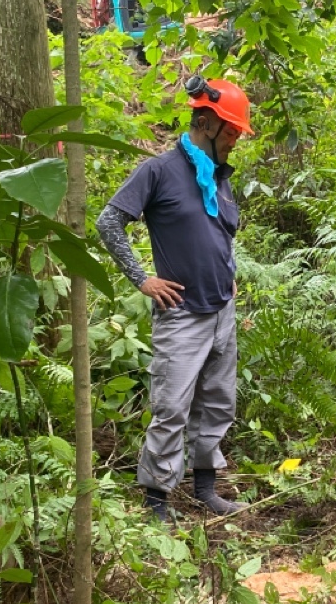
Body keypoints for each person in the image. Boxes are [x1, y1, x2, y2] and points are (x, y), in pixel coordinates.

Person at [96, 77, 253, 522]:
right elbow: (109, 222)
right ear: (205, 122)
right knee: (172, 406)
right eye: (232, 131)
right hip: (181, 313)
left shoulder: (220, 178)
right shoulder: (158, 171)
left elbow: (218, 235)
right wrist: (141, 278)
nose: (236, 140)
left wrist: (230, 276)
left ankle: (206, 488)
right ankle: (157, 501)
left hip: (221, 308)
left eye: (239, 133)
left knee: (218, 400)